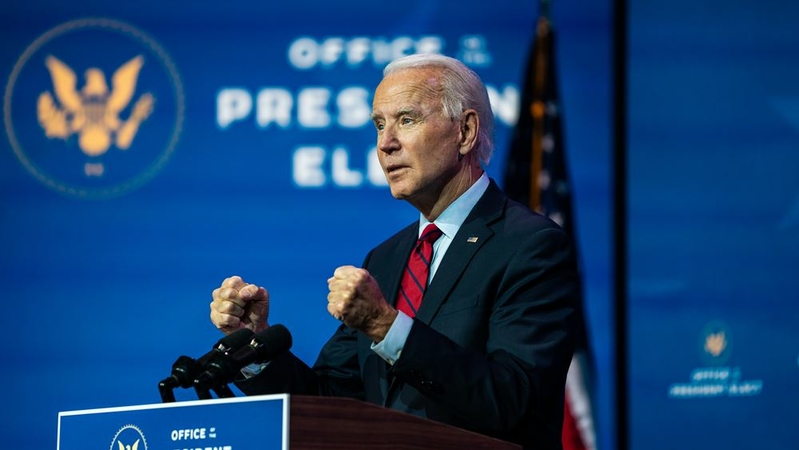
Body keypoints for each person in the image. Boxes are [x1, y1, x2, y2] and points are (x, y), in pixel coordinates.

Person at [209, 53, 579, 450]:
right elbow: (328, 403)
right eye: (379, 125)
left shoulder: (530, 246)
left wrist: (387, 326)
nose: (385, 144)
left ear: (466, 132)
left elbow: (514, 402)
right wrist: (255, 345)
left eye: (406, 119)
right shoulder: (385, 258)